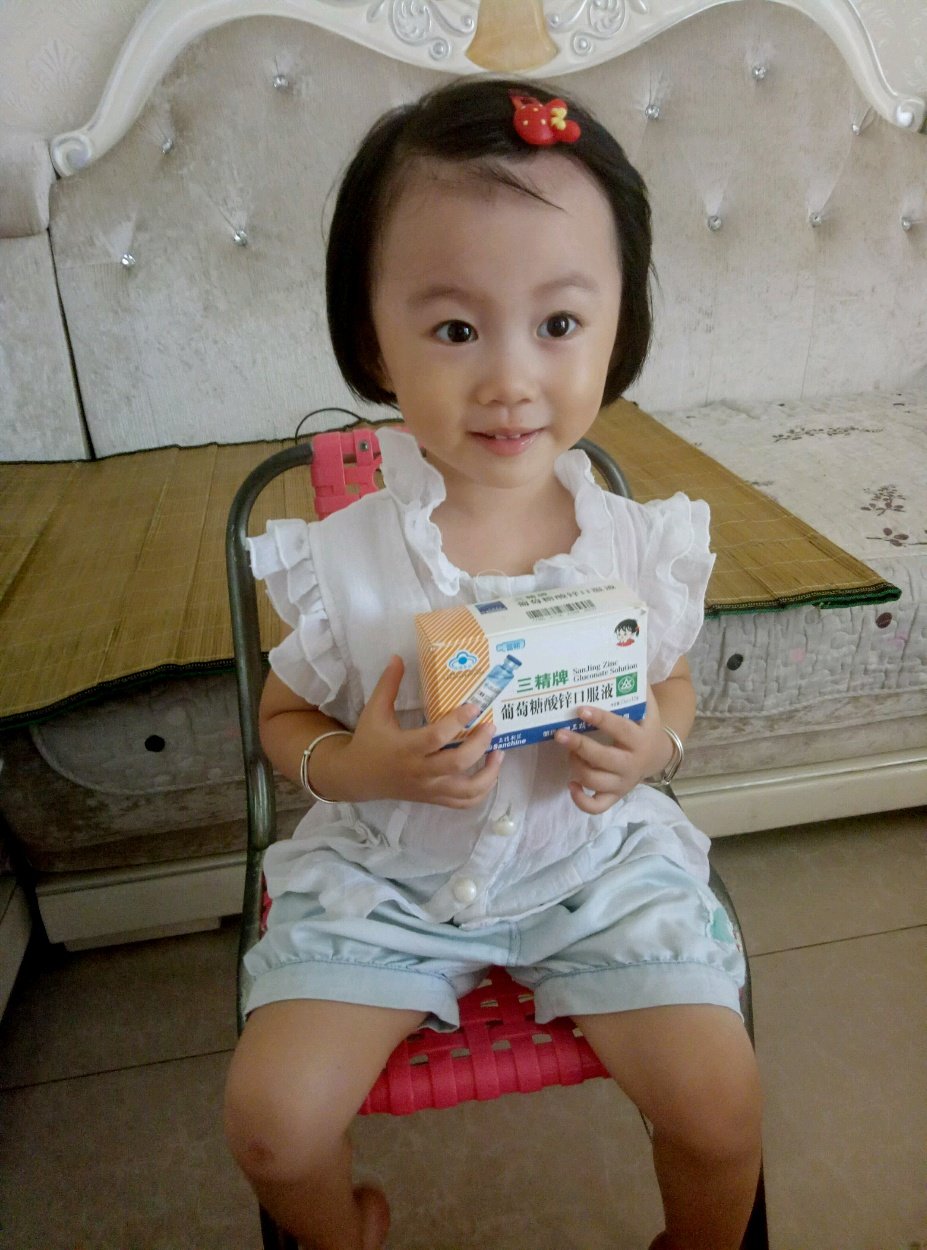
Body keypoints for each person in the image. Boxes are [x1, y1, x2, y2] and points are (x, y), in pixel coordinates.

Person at [223, 77, 762, 1250]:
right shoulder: (345, 560)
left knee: (724, 1107)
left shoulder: (636, 543)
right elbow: (283, 719)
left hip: (593, 870)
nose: (511, 379)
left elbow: (671, 682)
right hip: (392, 882)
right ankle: (349, 1228)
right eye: (457, 329)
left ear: (619, 329)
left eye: (559, 324)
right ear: (374, 339)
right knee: (270, 1124)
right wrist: (362, 767)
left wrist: (653, 745)